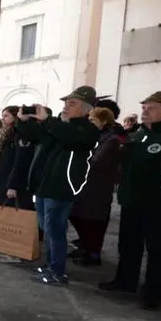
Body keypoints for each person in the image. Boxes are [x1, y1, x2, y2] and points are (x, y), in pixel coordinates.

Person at [99, 91, 161, 310]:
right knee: (128, 243)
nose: (145, 111)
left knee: (157, 249)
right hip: (132, 199)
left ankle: (153, 293)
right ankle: (125, 281)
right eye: (143, 107)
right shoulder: (137, 134)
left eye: (150, 108)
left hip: (158, 203)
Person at [16, 86, 100, 286]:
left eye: (72, 104)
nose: (66, 107)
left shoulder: (86, 129)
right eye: (65, 103)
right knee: (47, 229)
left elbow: (68, 137)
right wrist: (23, 121)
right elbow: (37, 136)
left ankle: (58, 272)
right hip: (46, 186)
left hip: (62, 188)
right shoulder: (61, 126)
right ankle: (50, 266)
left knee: (56, 231)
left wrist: (48, 120)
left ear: (87, 109)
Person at [68, 107, 121, 266]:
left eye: (93, 120)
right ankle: (85, 246)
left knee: (94, 222)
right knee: (77, 215)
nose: (89, 123)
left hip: (98, 186)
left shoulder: (111, 139)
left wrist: (82, 157)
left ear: (103, 121)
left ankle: (93, 254)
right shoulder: (95, 136)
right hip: (86, 184)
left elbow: (97, 160)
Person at [0, 106, 34, 208]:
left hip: (10, 180)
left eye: (6, 116)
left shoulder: (19, 134)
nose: (2, 118)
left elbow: (20, 161)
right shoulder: (3, 133)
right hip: (0, 177)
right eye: (2, 116)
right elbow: (3, 158)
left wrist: (13, 185)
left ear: (15, 117)